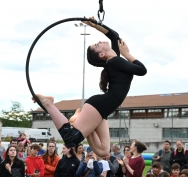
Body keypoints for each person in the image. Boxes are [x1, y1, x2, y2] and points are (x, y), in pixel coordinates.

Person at [31, 16, 147, 156]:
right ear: (102, 54)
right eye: (97, 45)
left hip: (103, 107)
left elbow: (114, 36)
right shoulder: (114, 61)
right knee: (71, 139)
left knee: (103, 150)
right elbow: (142, 70)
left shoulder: (114, 59)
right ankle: (49, 104)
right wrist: (127, 54)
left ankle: (77, 119)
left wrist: (95, 25)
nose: (99, 42)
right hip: (100, 105)